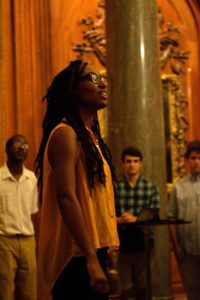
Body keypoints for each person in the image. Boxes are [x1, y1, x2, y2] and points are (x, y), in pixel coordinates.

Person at [35, 59, 119, 300]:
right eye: (93, 79)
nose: (102, 84)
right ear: (73, 88)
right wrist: (92, 259)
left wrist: (104, 253)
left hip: (91, 249)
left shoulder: (90, 138)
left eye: (102, 78)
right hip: (74, 255)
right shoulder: (65, 134)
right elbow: (66, 196)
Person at [115, 146, 160, 300]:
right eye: (128, 161)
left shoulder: (150, 186)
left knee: (144, 289)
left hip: (144, 245)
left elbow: (155, 215)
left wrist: (135, 219)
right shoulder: (116, 187)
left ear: (141, 164)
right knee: (125, 290)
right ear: (123, 164)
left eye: (135, 161)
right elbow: (108, 216)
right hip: (122, 245)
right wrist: (119, 219)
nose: (132, 165)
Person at [0, 134, 38, 300]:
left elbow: (32, 209)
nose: (22, 148)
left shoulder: (31, 178)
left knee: (29, 292)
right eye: (17, 144)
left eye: (25, 145)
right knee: (5, 291)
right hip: (4, 241)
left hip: (28, 241)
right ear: (7, 150)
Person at [168, 140, 200, 300]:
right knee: (192, 291)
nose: (197, 162)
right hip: (186, 251)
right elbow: (171, 218)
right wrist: (176, 246)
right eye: (193, 158)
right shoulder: (178, 187)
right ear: (188, 161)